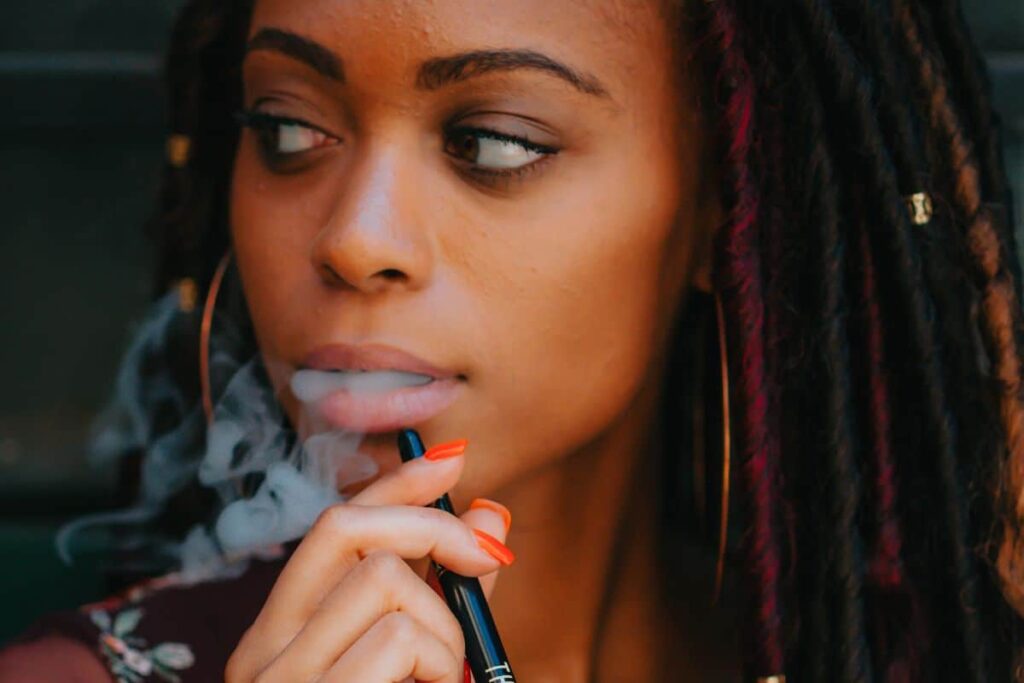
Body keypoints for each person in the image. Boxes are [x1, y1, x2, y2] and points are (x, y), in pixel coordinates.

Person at [2, 0, 1022, 680]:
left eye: (492, 142)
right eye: (286, 130)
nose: (355, 238)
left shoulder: (914, 656)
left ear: (724, 204)